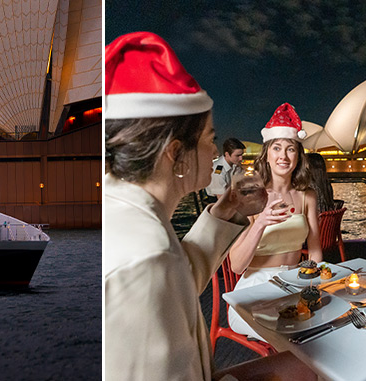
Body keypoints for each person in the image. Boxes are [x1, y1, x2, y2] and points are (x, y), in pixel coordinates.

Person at [103, 32, 315, 381]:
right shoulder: (146, 260)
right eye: (209, 139)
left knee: (307, 365)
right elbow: (161, 271)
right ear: (176, 153)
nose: (215, 152)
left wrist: (227, 209)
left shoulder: (132, 218)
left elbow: (178, 278)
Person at [226, 103, 323, 340]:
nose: (283, 156)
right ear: (266, 155)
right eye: (277, 148)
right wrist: (260, 223)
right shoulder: (249, 194)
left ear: (298, 156)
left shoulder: (307, 196)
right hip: (256, 288)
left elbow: (315, 252)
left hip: (296, 282)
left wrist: (313, 287)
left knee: (334, 319)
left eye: (290, 149)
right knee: (293, 331)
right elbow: (236, 266)